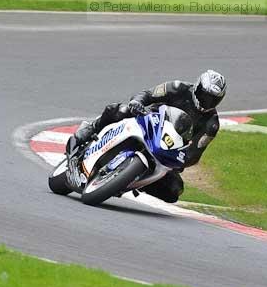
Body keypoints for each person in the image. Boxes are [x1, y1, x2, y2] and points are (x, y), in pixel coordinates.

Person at [66, 70, 227, 202]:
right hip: (149, 119)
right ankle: (90, 130)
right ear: (197, 86)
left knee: (174, 191)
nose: (207, 101)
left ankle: (134, 181)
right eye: (205, 95)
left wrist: (183, 160)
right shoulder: (177, 87)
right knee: (120, 110)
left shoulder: (211, 124)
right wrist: (137, 102)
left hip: (169, 147)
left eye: (213, 99)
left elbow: (196, 151)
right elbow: (148, 94)